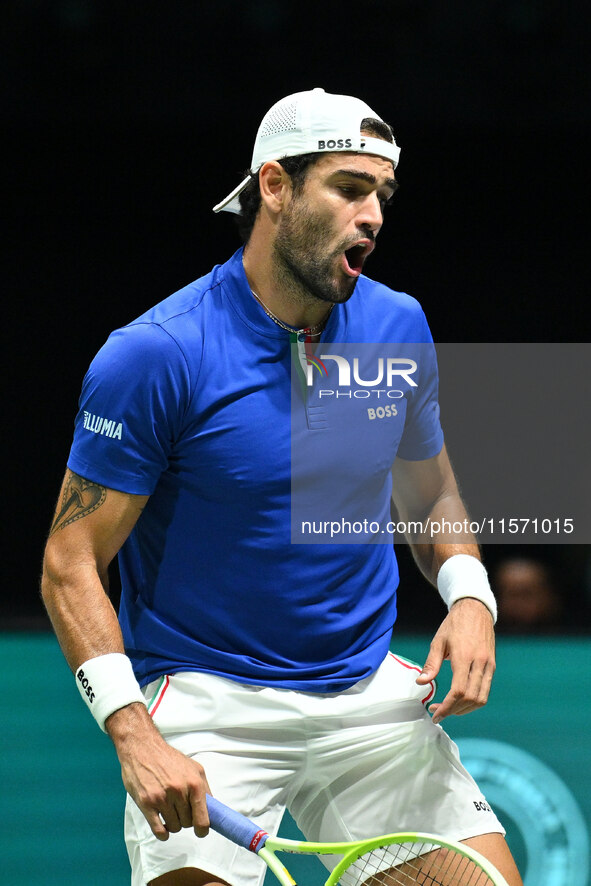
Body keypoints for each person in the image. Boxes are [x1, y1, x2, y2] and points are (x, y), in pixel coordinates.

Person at [41, 88, 523, 886]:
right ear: (274, 187)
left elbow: (429, 495)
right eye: (347, 188)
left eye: (382, 195)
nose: (372, 215)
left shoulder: (396, 324)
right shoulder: (157, 354)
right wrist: (133, 731)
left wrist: (471, 598)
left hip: (365, 693)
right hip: (207, 706)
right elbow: (70, 560)